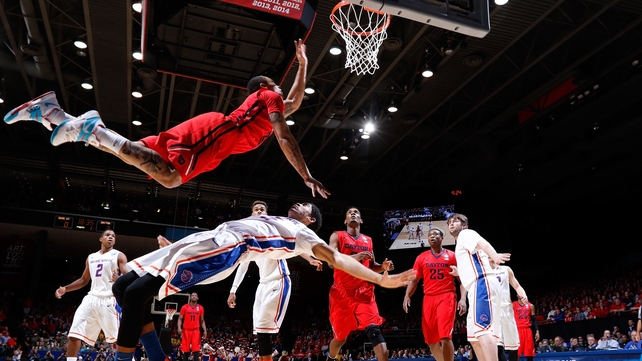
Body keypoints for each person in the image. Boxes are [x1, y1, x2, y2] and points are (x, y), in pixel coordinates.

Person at [4, 41, 329, 198]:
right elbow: (285, 137)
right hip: (218, 134)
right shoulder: (266, 95)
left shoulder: (271, 101)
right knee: (170, 176)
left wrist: (302, 65)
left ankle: (52, 112)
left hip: (217, 142)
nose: (282, 93)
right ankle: (91, 127)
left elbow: (295, 101)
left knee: (131, 154)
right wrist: (306, 174)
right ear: (263, 87)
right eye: (277, 86)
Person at [111, 202, 415, 361]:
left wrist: (381, 279)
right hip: (213, 236)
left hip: (228, 247)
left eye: (307, 207)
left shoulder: (304, 233)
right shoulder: (274, 218)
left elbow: (335, 259)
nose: (300, 204)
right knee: (122, 287)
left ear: (311, 220)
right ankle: (156, 356)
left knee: (137, 294)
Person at [227, 200, 322, 361]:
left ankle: (284, 350)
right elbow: (242, 266)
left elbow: (296, 242)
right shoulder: (250, 236)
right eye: (256, 209)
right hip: (262, 285)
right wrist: (233, 290)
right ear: (251, 214)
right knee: (260, 333)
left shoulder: (273, 228)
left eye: (262, 209)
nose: (259, 211)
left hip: (278, 280)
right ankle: (278, 352)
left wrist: (310, 258)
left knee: (265, 331)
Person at [326, 207, 394, 361]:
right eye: (350, 213)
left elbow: (371, 266)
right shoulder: (337, 236)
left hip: (363, 291)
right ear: (345, 220)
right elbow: (331, 262)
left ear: (361, 220)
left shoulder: (368, 240)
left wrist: (383, 267)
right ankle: (330, 357)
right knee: (340, 339)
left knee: (374, 330)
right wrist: (356, 257)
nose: (353, 214)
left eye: (356, 213)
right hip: (341, 293)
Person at [54, 230, 128, 361]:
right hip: (90, 298)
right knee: (74, 333)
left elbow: (129, 278)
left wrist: (119, 279)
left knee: (117, 340)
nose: (110, 237)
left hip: (109, 299)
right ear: (101, 239)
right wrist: (65, 289)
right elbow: (83, 280)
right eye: (107, 235)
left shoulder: (119, 256)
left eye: (113, 236)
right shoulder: (91, 257)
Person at [447, 213, 510, 361]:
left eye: (455, 221)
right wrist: (459, 272)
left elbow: (484, 243)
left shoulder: (465, 234)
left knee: (483, 330)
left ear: (463, 225)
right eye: (449, 222)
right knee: (474, 336)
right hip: (476, 287)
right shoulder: (461, 243)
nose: (451, 223)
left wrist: (494, 256)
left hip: (482, 283)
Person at [402, 228, 467, 361]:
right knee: (431, 341)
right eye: (430, 234)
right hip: (428, 299)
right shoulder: (421, 257)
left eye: (436, 234)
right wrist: (406, 296)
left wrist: (463, 299)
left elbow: (463, 281)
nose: (432, 236)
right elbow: (415, 279)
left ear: (442, 238)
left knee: (445, 336)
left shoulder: (452, 256)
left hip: (447, 296)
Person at [490, 262, 528, 361]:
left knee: (513, 346)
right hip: (492, 310)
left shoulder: (506, 269)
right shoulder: (482, 270)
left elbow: (517, 286)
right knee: (497, 346)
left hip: (507, 310)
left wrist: (523, 295)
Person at [177, 293, 207, 361]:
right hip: (186, 330)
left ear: (197, 298)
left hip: (196, 330)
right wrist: (179, 327)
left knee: (196, 350)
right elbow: (180, 318)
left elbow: (202, 321)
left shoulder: (200, 308)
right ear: (190, 298)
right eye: (192, 295)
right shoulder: (184, 307)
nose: (194, 296)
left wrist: (205, 330)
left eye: (195, 296)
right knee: (185, 350)